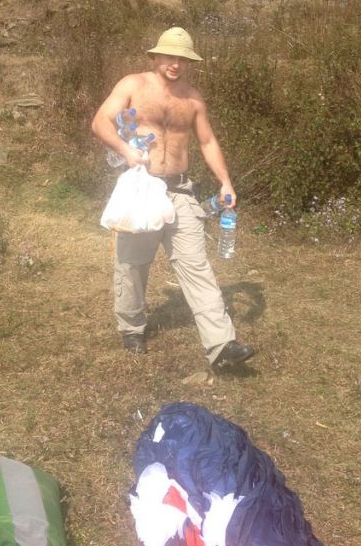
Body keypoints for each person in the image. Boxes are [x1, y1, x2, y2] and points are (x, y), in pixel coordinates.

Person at [91, 27, 256, 370]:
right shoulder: (133, 85)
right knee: (132, 265)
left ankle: (221, 345)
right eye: (169, 56)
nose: (175, 63)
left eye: (182, 58)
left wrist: (225, 181)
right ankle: (132, 328)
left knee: (196, 266)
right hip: (142, 187)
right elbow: (100, 122)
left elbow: (207, 142)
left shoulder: (193, 99)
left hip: (180, 190)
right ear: (155, 56)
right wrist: (125, 150)